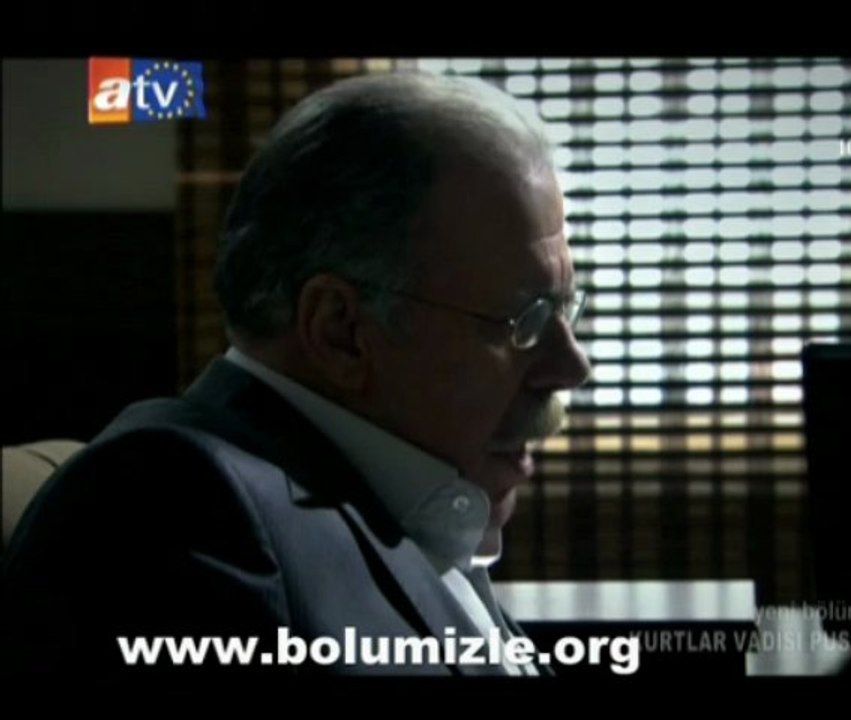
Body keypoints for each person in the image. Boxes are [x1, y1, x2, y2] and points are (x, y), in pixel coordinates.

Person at [0, 71, 592, 683]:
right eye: (524, 320)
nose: (571, 366)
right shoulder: (176, 506)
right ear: (340, 330)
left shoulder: (416, 505)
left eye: (564, 309)